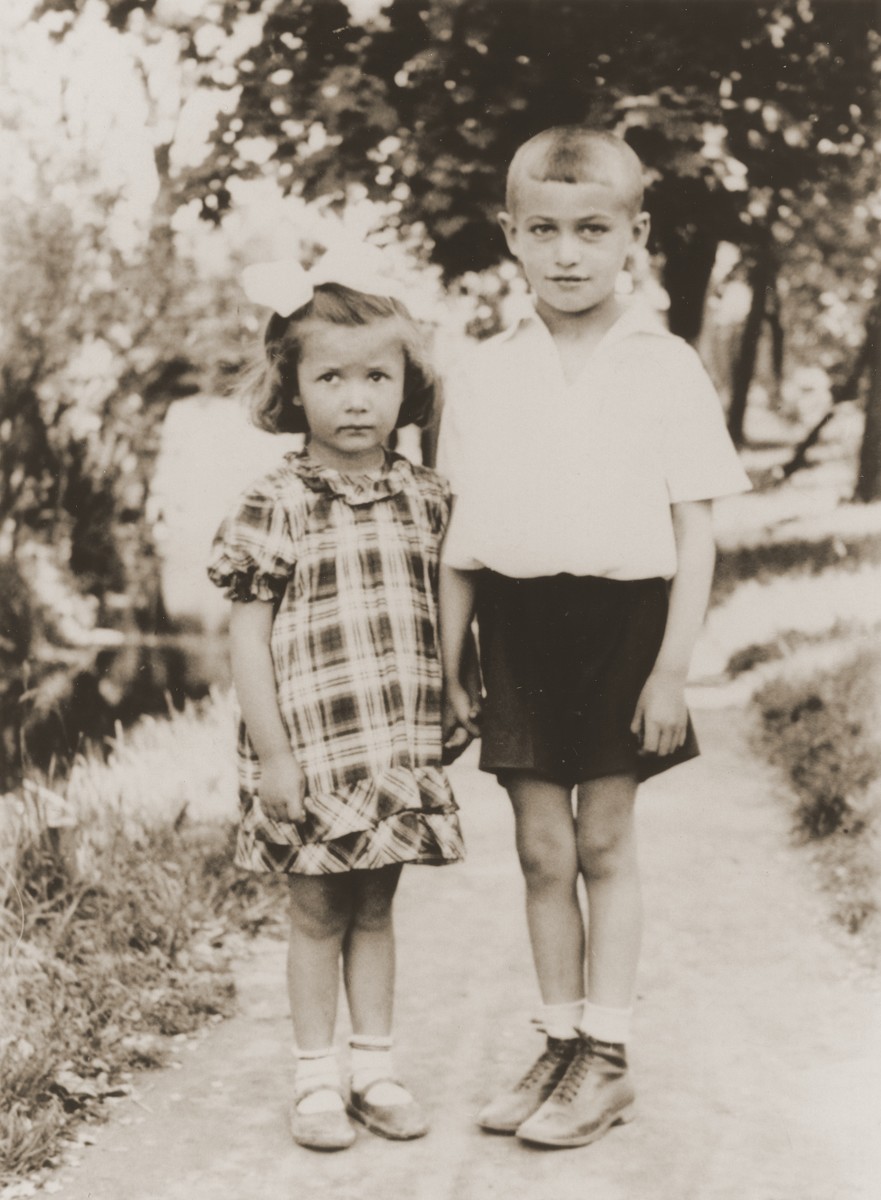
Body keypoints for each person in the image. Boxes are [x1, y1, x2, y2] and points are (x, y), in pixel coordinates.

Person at [438, 126, 750, 1150]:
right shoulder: (481, 371)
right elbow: (458, 540)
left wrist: (671, 670)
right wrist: (446, 668)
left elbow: (692, 530)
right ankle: (560, 1036)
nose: (566, 253)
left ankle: (607, 1057)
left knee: (605, 839)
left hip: (624, 625)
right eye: (543, 230)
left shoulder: (663, 367)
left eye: (591, 230)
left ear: (634, 235)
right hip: (517, 625)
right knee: (538, 848)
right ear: (509, 237)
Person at [208, 250, 464, 1152]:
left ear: (407, 386)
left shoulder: (426, 498)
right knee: (316, 909)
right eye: (331, 378)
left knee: (378, 907)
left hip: (391, 746)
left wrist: (456, 690)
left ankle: (375, 1067)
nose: (356, 399)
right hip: (310, 749)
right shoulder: (275, 502)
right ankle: (316, 1080)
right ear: (291, 388)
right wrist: (274, 755)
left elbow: (446, 609)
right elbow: (245, 635)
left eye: (377, 377)